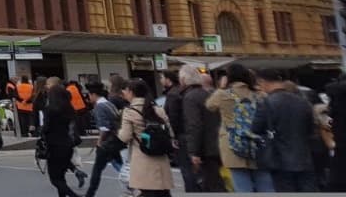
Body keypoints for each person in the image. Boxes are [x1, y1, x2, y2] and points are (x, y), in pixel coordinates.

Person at [205, 63, 270, 193]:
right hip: (257, 143)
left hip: (233, 144)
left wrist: (222, 87)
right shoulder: (260, 95)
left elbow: (209, 105)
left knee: (242, 186)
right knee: (265, 183)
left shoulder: (223, 95)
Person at [255, 67, 318, 192]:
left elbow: (256, 129)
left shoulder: (266, 103)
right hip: (304, 158)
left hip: (279, 159)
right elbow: (311, 129)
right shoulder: (303, 102)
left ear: (263, 82)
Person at [116, 78, 175, 197]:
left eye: (126, 90)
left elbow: (124, 137)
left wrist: (118, 131)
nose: (125, 93)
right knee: (163, 193)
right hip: (161, 160)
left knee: (147, 192)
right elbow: (171, 133)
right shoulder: (158, 109)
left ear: (132, 92)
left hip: (143, 159)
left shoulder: (129, 112)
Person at [177, 64, 221, 193]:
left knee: (210, 184)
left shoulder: (190, 97)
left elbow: (194, 125)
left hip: (204, 148)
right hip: (215, 144)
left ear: (184, 80)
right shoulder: (207, 94)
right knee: (215, 182)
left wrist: (193, 152)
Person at [81, 80, 128, 197]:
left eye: (89, 95)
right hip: (117, 139)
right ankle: (131, 184)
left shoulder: (99, 107)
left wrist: (99, 142)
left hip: (108, 143)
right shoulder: (109, 104)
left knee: (97, 169)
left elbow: (104, 128)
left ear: (93, 95)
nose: (88, 98)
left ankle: (90, 194)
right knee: (120, 165)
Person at [37, 75, 81, 197]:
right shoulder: (69, 109)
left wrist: (40, 131)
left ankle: (74, 196)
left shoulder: (50, 109)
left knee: (55, 179)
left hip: (54, 145)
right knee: (61, 176)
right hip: (67, 145)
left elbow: (46, 128)